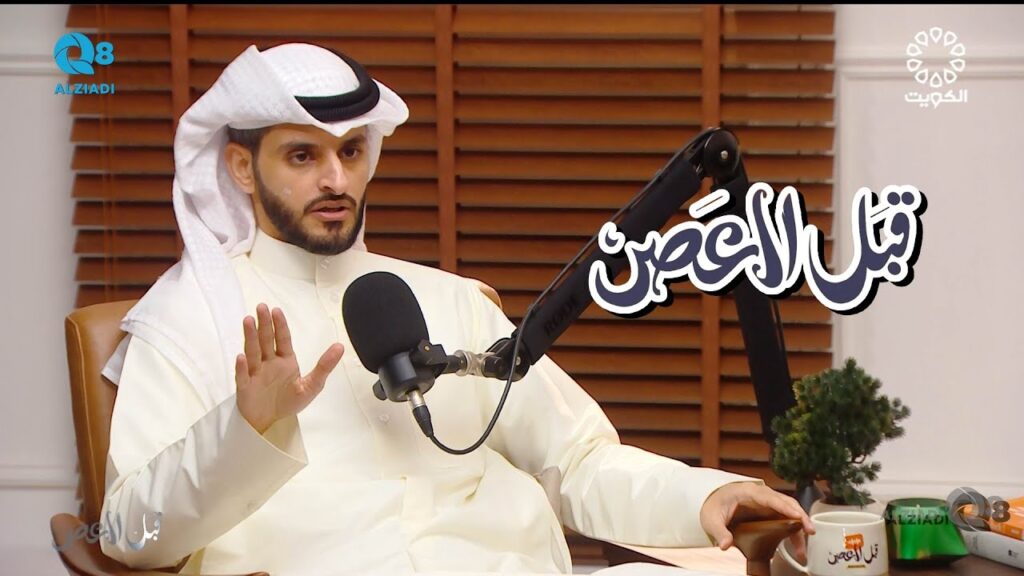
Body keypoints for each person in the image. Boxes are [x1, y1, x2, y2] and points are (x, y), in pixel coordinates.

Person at [98, 43, 812, 575]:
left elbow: (576, 460)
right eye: (302, 156)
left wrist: (703, 497)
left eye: (351, 151)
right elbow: (129, 534)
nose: (336, 179)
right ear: (241, 168)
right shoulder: (188, 319)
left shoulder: (449, 300)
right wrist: (243, 430)